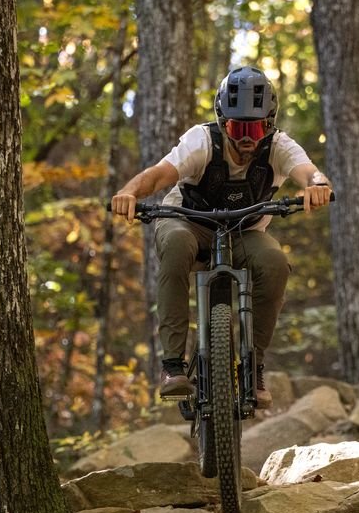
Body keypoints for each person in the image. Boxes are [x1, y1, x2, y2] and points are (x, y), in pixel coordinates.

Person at [111, 65, 333, 409]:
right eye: (237, 126)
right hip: (187, 220)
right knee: (175, 245)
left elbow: (308, 172)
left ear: (270, 124)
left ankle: (253, 366)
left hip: (244, 230)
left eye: (256, 127)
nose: (246, 137)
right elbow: (158, 175)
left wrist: (317, 186)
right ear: (221, 120)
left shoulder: (279, 146)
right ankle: (172, 366)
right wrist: (129, 192)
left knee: (275, 262)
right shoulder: (201, 141)